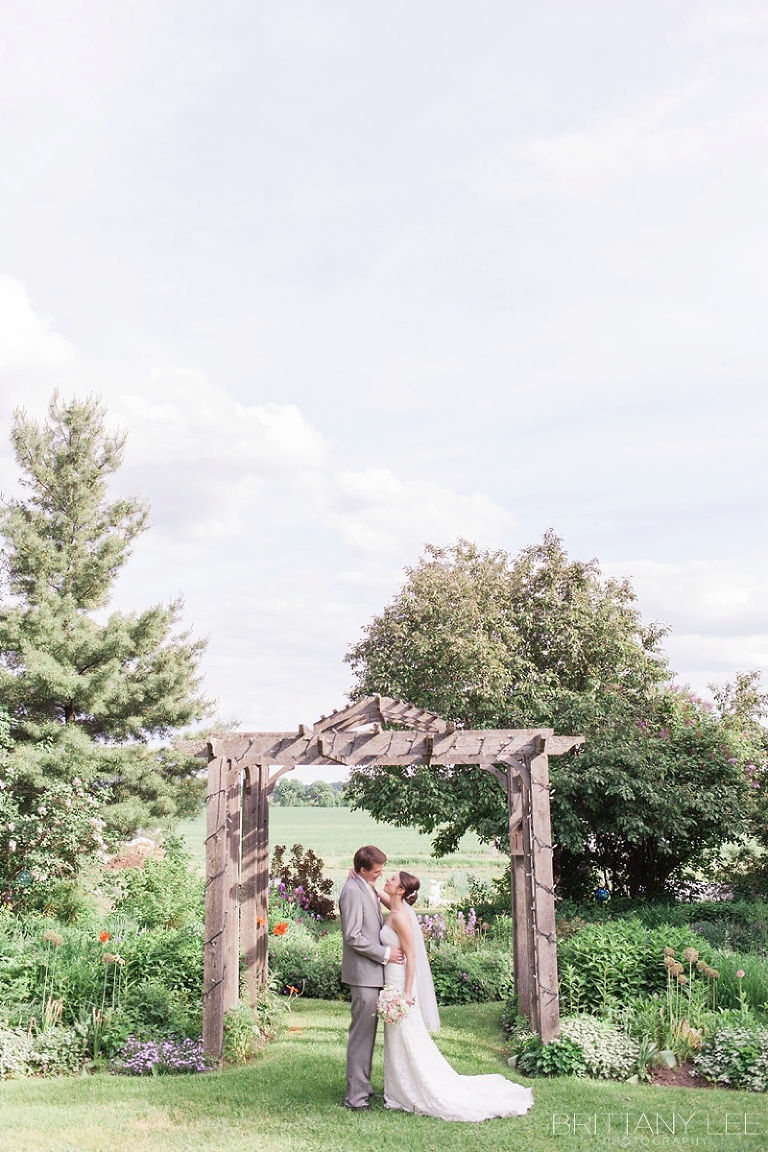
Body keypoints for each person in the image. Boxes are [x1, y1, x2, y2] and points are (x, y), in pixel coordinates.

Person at [378, 870, 534, 1122]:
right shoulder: (398, 909)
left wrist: (407, 992)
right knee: (397, 1036)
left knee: (406, 1034)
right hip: (392, 979)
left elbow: (412, 956)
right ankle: (399, 1088)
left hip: (400, 983)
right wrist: (367, 883)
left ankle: (415, 1088)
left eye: (392, 879)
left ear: (401, 890)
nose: (387, 880)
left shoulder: (400, 918)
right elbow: (387, 901)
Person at [338, 845, 404, 1110]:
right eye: (376, 871)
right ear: (363, 869)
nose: (380, 874)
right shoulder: (352, 891)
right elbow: (353, 936)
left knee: (367, 1035)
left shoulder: (363, 884)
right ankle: (355, 1098)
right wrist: (385, 953)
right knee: (361, 1037)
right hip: (363, 975)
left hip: (371, 975)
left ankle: (363, 1087)